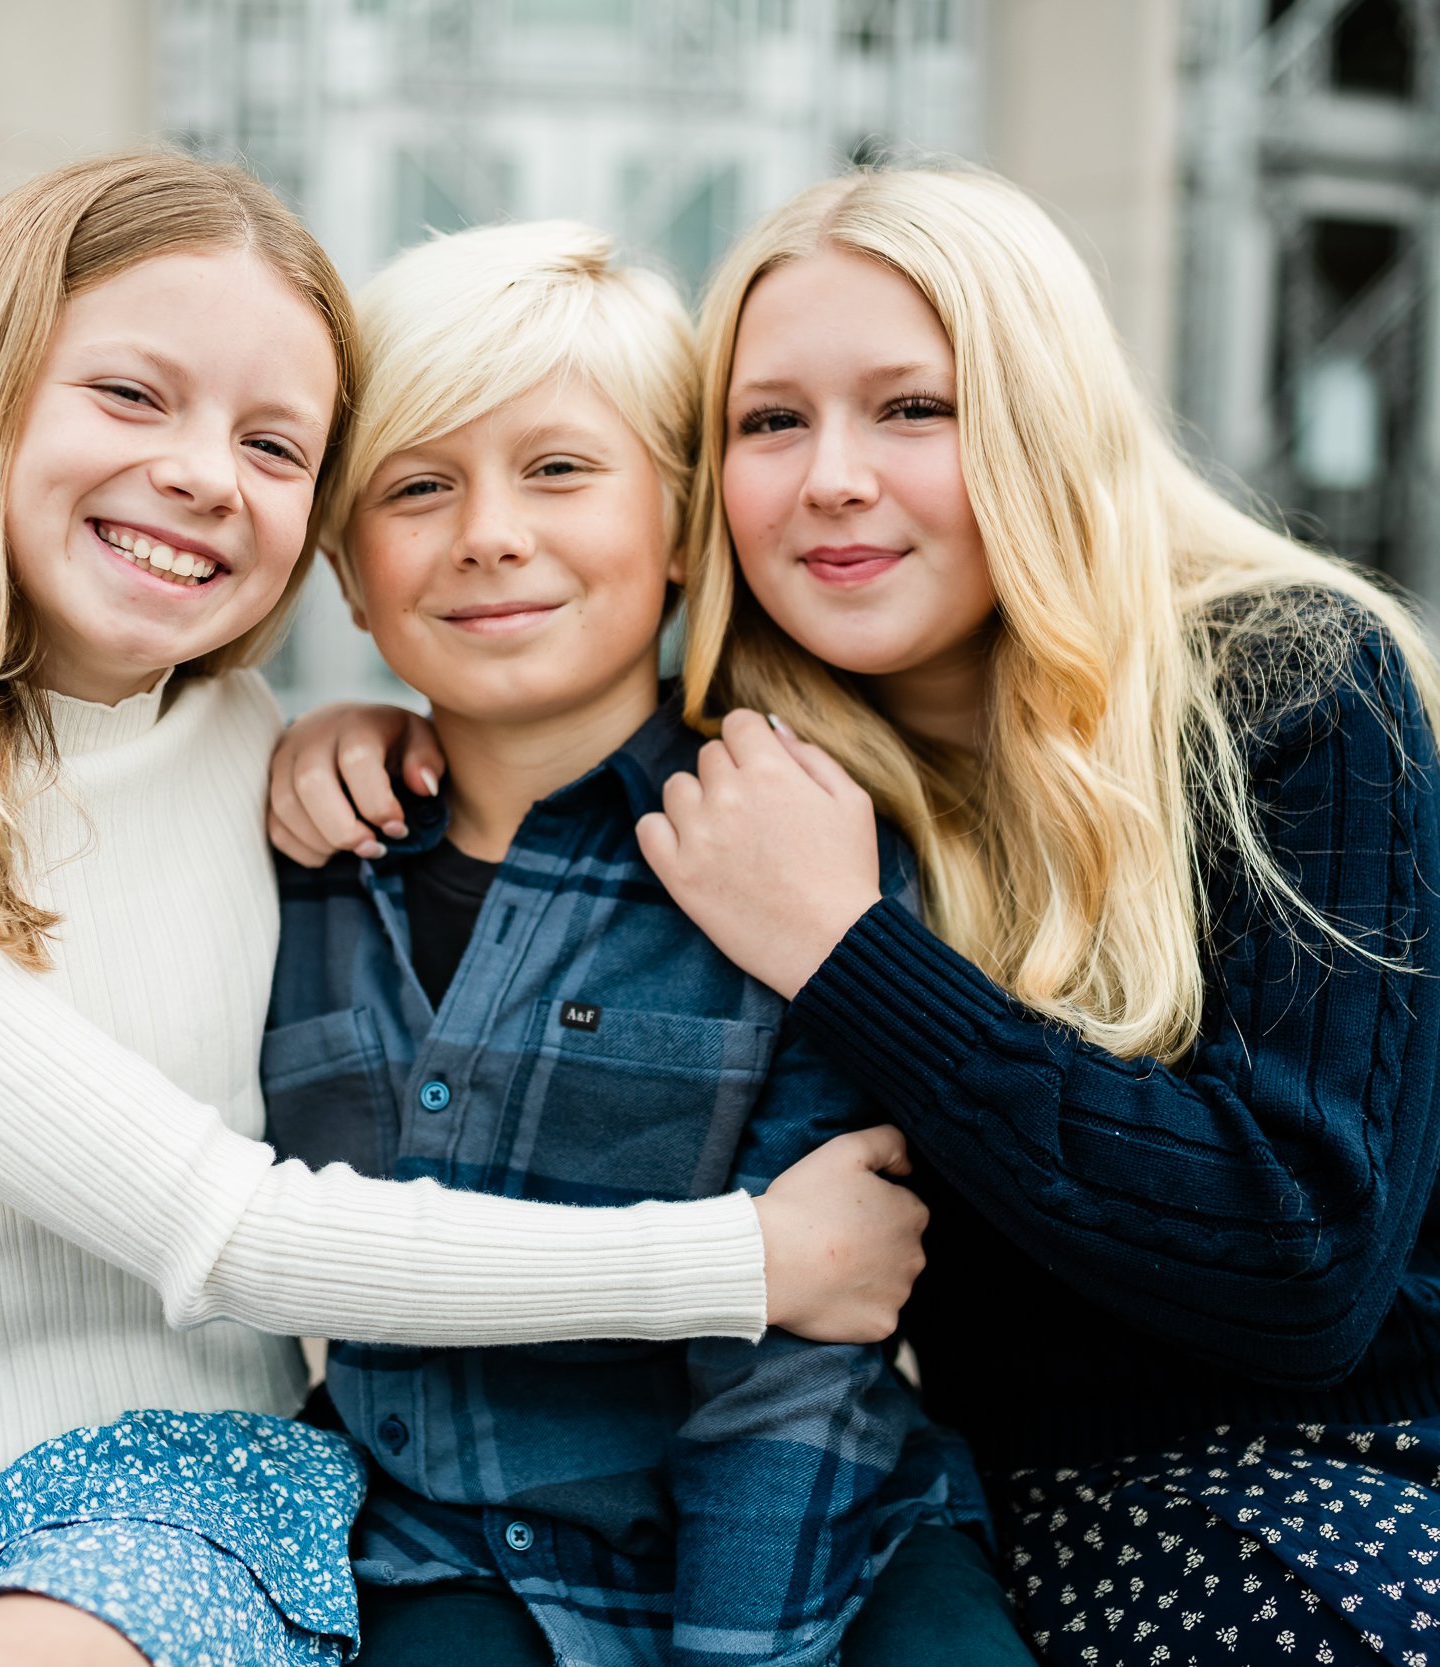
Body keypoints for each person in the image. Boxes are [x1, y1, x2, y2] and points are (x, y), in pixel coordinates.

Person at [268, 166, 1440, 1667]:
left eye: (915, 407)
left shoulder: (1286, 679)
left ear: (1039, 423)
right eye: (772, 422)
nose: (834, 480)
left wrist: (854, 953)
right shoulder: (751, 764)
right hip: (1145, 1496)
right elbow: (527, 719)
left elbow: (1307, 1265)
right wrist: (355, 733)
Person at [0, 153, 931, 1667]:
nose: (201, 472)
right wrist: (746, 1261)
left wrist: (347, 731)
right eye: (132, 396)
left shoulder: (276, 759)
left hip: (198, 1503)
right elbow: (221, 1229)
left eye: (272, 442)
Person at [260, 220, 1029, 1667]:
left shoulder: (789, 843)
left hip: (821, 1536)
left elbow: (806, 1351)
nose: (490, 530)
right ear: (347, 579)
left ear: (682, 529)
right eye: (418, 487)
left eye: (559, 468)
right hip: (442, 1542)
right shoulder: (298, 868)